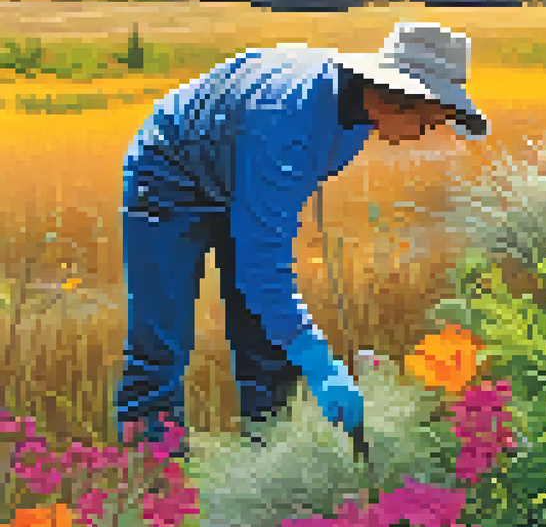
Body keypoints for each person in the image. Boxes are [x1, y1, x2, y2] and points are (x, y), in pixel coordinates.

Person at [116, 23, 490, 449]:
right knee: (160, 351)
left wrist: (298, 345)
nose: (424, 136)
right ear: (395, 99)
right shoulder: (289, 121)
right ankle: (154, 493)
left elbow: (270, 216)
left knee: (270, 348)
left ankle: (267, 482)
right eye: (426, 124)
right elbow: (262, 263)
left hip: (241, 168)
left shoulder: (357, 112)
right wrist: (320, 363)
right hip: (170, 174)